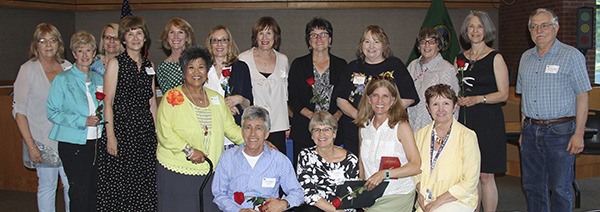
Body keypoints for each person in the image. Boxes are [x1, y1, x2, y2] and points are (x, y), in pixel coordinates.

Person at [517, 8, 591, 211]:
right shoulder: (525, 58)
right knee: (532, 187)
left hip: (561, 132)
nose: (538, 30)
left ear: (556, 28)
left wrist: (579, 134)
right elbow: (524, 98)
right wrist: (524, 130)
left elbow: (583, 95)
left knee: (560, 188)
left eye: (544, 25)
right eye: (533, 26)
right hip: (531, 131)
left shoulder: (571, 56)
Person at [156, 47, 245, 211]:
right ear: (183, 71)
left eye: (201, 67)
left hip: (210, 172)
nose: (196, 72)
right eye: (191, 67)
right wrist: (189, 151)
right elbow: (165, 132)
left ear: (207, 71)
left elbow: (231, 129)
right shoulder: (172, 97)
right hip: (177, 171)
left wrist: (255, 142)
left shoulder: (216, 98)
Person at [96, 16, 158, 211]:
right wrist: (111, 137)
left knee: (144, 183)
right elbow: (108, 102)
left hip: (144, 133)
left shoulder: (149, 66)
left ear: (145, 37)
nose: (135, 38)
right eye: (130, 34)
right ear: (123, 39)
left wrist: (157, 134)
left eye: (139, 33)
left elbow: (152, 102)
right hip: (122, 131)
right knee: (122, 184)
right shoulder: (116, 63)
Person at [334, 25, 418, 156]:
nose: (371, 46)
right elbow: (340, 99)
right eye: (367, 41)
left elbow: (409, 97)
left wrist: (383, 116)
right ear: (361, 45)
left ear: (384, 45)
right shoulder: (352, 67)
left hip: (388, 132)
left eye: (376, 42)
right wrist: (359, 116)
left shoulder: (395, 65)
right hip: (355, 133)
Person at [12, 23, 71, 212]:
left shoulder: (69, 67)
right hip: (41, 141)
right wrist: (31, 146)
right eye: (42, 40)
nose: (48, 45)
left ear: (59, 44)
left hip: (69, 140)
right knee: (47, 186)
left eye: (52, 40)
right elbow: (19, 112)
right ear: (36, 45)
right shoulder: (27, 70)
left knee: (72, 187)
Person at [455, 10, 509, 211]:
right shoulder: (459, 59)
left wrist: (479, 99)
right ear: (466, 31)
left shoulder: (495, 58)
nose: (475, 31)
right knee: (471, 174)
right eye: (471, 26)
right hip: (466, 120)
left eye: (479, 27)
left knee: (486, 174)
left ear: (486, 30)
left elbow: (503, 94)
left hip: (489, 120)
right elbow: (456, 88)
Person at [46, 30, 103, 212]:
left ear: (94, 53)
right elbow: (52, 112)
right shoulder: (63, 79)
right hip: (74, 144)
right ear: (74, 54)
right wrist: (82, 120)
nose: (85, 55)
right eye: (80, 51)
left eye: (88, 50)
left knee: (95, 189)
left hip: (97, 142)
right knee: (79, 190)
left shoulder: (99, 78)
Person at [212, 106, 304, 212]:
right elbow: (219, 194)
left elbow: (298, 193)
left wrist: (283, 204)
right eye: (248, 128)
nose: (252, 134)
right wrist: (238, 210)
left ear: (267, 134)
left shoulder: (279, 160)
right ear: (242, 132)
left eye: (258, 128)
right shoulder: (227, 158)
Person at [355, 77, 421, 212]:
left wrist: (384, 174)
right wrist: (363, 194)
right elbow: (361, 162)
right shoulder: (364, 127)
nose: (380, 101)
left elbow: (416, 166)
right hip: (373, 195)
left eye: (385, 96)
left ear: (393, 101)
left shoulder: (401, 127)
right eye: (375, 96)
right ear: (368, 99)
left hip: (397, 194)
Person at [289, 17, 347, 167]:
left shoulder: (341, 65)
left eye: (323, 33)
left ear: (330, 39)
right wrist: (312, 116)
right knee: (305, 172)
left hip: (334, 128)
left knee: (332, 171)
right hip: (304, 128)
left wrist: (335, 118)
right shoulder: (298, 65)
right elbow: (293, 98)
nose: (319, 38)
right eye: (313, 34)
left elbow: (346, 96)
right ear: (308, 41)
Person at [414, 84, 480, 212]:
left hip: (458, 200)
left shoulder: (467, 136)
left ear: (454, 106)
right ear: (428, 108)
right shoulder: (420, 135)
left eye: (446, 103)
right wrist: (419, 190)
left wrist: (438, 201)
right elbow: (414, 168)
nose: (440, 109)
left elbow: (470, 181)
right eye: (435, 104)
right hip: (426, 199)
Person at [238, 16, 289, 153]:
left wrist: (287, 124)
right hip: (254, 125)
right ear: (255, 37)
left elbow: (285, 94)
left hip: (277, 125)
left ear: (275, 36)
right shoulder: (243, 59)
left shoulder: (283, 60)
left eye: (269, 33)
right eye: (261, 33)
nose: (265, 37)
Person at [296, 111, 359, 212]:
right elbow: (307, 192)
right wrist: (334, 210)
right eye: (316, 130)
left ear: (334, 133)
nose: (321, 134)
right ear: (312, 135)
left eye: (326, 129)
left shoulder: (351, 159)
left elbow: (354, 193)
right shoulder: (306, 155)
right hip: (317, 208)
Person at [203, 25, 253, 150]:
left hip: (233, 138)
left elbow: (249, 105)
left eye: (224, 40)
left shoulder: (241, 68)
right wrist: (222, 109)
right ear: (210, 44)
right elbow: (195, 101)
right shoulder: (201, 69)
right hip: (207, 136)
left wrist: (240, 99)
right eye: (215, 40)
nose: (219, 44)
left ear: (229, 43)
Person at [406, 28, 459, 132]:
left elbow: (452, 106)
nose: (427, 45)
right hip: (412, 128)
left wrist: (447, 132)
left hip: (436, 130)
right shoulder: (412, 66)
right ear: (418, 46)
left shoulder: (447, 69)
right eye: (423, 42)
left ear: (438, 45)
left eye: (431, 42)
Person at [156, 17, 196, 94]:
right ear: (167, 37)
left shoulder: (197, 61)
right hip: (175, 105)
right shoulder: (162, 68)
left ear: (187, 37)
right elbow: (167, 96)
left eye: (180, 32)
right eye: (171, 32)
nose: (176, 37)